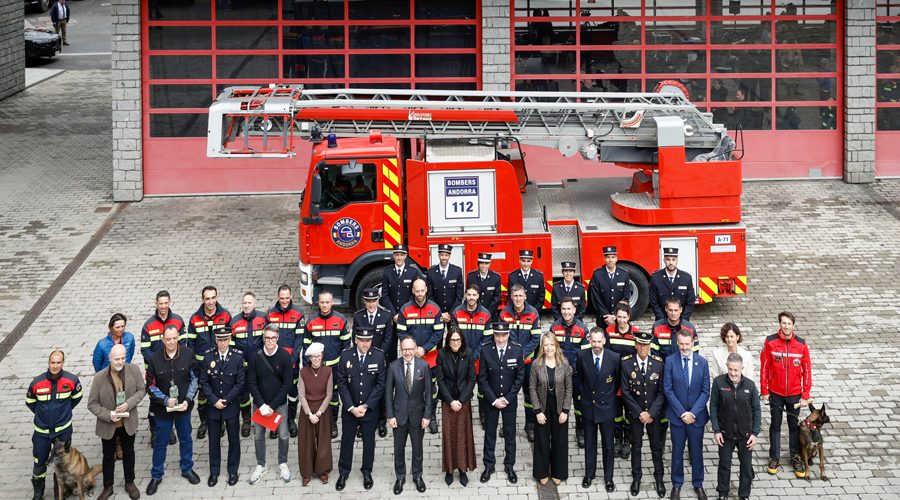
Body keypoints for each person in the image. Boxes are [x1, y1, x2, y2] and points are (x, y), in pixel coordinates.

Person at [145, 325, 201, 495]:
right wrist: (165, 400)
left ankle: (187, 469)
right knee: (161, 443)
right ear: (163, 340)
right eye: (168, 339)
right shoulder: (154, 359)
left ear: (178, 337)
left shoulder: (188, 354)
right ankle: (156, 475)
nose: (171, 342)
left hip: (184, 408)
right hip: (163, 411)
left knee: (186, 439)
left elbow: (194, 379)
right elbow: (150, 386)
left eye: (174, 338)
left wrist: (188, 399)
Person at [87, 344, 145, 500]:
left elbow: (142, 390)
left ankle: (130, 483)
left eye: (123, 358)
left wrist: (129, 403)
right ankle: (108, 486)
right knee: (107, 456)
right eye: (117, 359)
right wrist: (108, 415)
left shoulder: (134, 370)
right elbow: (91, 404)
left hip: (128, 423)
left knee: (129, 452)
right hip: (108, 425)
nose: (120, 362)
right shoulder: (99, 377)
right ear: (110, 358)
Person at [760, 311, 812, 477]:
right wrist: (764, 390)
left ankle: (795, 457)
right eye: (783, 323)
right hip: (775, 393)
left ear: (793, 325)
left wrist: (805, 394)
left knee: (793, 426)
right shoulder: (770, 342)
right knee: (775, 425)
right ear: (780, 324)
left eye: (789, 323)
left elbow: (807, 371)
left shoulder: (802, 344)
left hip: (795, 394)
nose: (786, 326)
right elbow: (764, 367)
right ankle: (774, 457)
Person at [26, 350, 83, 500]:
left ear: (63, 363)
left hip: (63, 431)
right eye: (53, 362)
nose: (55, 366)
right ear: (48, 363)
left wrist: (64, 412)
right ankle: (39, 492)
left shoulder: (72, 380)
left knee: (62, 463)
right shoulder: (37, 383)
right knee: (39, 463)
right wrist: (42, 415)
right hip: (42, 432)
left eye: (58, 362)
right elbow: (30, 403)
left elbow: (76, 398)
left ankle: (60, 492)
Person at [336, 326, 386, 491]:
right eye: (362, 340)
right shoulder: (345, 356)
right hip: (350, 410)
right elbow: (341, 384)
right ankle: (343, 472)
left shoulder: (379, 356)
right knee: (347, 442)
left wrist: (365, 406)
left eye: (368, 341)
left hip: (369, 410)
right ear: (355, 339)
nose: (365, 344)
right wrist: (351, 407)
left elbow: (380, 385)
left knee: (369, 443)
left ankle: (367, 472)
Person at [663, 329, 710, 500]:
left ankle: (698, 484)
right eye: (681, 344)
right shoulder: (670, 361)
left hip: (696, 418)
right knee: (677, 452)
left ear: (693, 343)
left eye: (687, 344)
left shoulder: (702, 362)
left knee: (697, 452)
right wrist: (683, 413)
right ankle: (676, 485)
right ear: (677, 343)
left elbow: (706, 392)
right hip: (677, 417)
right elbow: (668, 390)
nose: (684, 347)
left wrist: (693, 413)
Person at [620, 331, 667, 498]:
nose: (642, 347)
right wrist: (640, 413)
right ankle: (636, 478)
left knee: (656, 447)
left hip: (654, 414)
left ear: (650, 346)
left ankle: (659, 479)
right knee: (636, 446)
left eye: (645, 345)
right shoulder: (626, 364)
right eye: (639, 344)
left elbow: (662, 392)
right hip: (635, 414)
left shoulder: (658, 364)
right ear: (635, 345)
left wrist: (651, 413)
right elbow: (625, 392)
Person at [386, 336, 435, 495]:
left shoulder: (424, 366)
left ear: (415, 349)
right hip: (399, 417)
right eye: (404, 349)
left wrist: (427, 416)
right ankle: (400, 477)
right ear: (401, 350)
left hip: (418, 416)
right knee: (399, 450)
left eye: (410, 349)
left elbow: (429, 394)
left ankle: (417, 476)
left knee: (418, 450)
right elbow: (388, 394)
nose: (407, 352)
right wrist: (390, 416)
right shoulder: (393, 366)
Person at [478, 322, 526, 485]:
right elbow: (482, 379)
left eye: (503, 335)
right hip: (491, 401)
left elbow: (520, 377)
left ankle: (509, 466)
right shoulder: (485, 349)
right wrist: (493, 400)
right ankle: (489, 466)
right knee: (490, 435)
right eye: (497, 335)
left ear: (508, 335)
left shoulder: (517, 349)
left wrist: (506, 399)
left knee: (510, 435)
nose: (500, 339)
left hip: (509, 402)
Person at [247, 324, 294, 485]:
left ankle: (283, 463)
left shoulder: (285, 356)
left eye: (273, 338)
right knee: (259, 437)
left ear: (278, 338)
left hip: (278, 405)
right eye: (267, 338)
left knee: (283, 435)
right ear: (263, 338)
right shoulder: (255, 356)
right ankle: (261, 465)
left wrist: (272, 406)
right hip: (260, 405)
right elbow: (251, 383)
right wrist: (261, 405)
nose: (270, 341)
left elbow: (287, 384)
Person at [711, 353, 761, 500]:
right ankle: (722, 493)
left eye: (736, 370)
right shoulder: (718, 383)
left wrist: (755, 434)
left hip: (746, 435)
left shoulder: (750, 386)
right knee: (724, 464)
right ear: (727, 366)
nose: (733, 373)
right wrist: (716, 430)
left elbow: (757, 410)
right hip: (725, 434)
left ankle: (744, 495)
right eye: (730, 369)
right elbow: (713, 406)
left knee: (746, 466)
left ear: (742, 369)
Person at [396, 278, 443, 433]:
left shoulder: (435, 309)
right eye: (417, 291)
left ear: (426, 290)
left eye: (422, 290)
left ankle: (432, 415)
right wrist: (413, 348)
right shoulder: (405, 309)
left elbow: (439, 332)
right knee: (413, 386)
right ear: (412, 291)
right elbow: (401, 331)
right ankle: (414, 415)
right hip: (411, 356)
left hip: (430, 357)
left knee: (432, 387)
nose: (420, 293)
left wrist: (425, 348)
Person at [199, 327, 245, 487]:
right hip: (213, 407)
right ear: (216, 340)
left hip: (231, 406)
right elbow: (203, 382)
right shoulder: (208, 357)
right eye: (220, 340)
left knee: (233, 440)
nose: (223, 343)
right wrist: (214, 400)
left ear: (230, 339)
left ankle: (233, 471)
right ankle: (214, 472)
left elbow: (240, 383)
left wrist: (225, 400)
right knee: (213, 441)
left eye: (226, 339)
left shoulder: (237, 358)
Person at [576, 327, 621, 491]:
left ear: (604, 341)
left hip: (607, 407)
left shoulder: (614, 358)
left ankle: (609, 478)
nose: (596, 344)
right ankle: (589, 474)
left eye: (599, 341)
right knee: (589, 443)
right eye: (593, 341)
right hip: (589, 405)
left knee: (609, 444)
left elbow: (616, 382)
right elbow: (582, 379)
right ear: (589, 340)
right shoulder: (581, 356)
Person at [141, 290, 186, 446]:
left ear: (170, 302)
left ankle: (170, 429)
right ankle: (155, 431)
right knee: (155, 401)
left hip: (174, 371)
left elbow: (183, 345)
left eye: (166, 303)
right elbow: (145, 349)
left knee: (173, 397)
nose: (163, 306)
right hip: (155, 372)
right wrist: (158, 363)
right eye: (160, 303)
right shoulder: (148, 325)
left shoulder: (179, 321)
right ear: (156, 304)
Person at [187, 286, 231, 440]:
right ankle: (204, 422)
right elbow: (190, 345)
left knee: (220, 391)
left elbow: (230, 341)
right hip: (202, 366)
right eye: (207, 298)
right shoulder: (194, 318)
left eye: (213, 298)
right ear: (202, 300)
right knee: (203, 395)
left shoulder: (225, 315)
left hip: (222, 365)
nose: (211, 301)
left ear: (217, 297)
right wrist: (194, 367)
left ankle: (221, 422)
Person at [497, 284, 541, 441]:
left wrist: (521, 354)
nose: (517, 299)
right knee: (508, 393)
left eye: (520, 296)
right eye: (515, 296)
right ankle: (508, 424)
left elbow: (536, 338)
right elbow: (501, 338)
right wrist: (512, 355)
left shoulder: (533, 314)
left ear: (525, 296)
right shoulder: (504, 314)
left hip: (528, 361)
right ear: (511, 297)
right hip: (509, 362)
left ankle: (530, 424)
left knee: (529, 394)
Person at [435, 327, 478, 486]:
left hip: (463, 401)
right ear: (448, 341)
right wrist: (450, 401)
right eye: (452, 340)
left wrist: (461, 400)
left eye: (458, 340)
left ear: (462, 340)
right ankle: (450, 469)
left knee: (463, 436)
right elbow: (440, 380)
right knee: (449, 436)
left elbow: (472, 379)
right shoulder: (441, 354)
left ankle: (463, 469)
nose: (455, 342)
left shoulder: (468, 353)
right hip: (448, 402)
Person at [305, 290, 351, 438]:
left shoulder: (341, 319)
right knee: (317, 396)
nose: (325, 305)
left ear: (332, 302)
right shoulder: (311, 321)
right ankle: (318, 421)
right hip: (317, 369)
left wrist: (343, 364)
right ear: (318, 303)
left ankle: (332, 423)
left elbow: (346, 343)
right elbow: (306, 345)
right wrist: (308, 365)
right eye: (322, 302)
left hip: (335, 369)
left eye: (327, 302)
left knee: (334, 398)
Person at [530, 333, 572, 486]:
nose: (549, 348)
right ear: (542, 346)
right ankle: (541, 472)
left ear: (556, 346)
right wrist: (538, 411)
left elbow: (569, 388)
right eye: (546, 345)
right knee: (541, 440)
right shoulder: (536, 364)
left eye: (551, 345)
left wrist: (565, 411)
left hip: (559, 407)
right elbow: (532, 388)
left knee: (559, 441)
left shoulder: (564, 363)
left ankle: (558, 472)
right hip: (543, 407)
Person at [548, 298, 590, 448]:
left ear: (574, 310)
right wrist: (564, 367)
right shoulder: (554, 327)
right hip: (559, 373)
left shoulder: (583, 329)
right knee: (559, 404)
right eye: (563, 309)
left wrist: (572, 367)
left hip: (577, 375)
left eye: (569, 309)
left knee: (579, 404)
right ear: (561, 310)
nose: (566, 312)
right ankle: (559, 433)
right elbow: (551, 350)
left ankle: (580, 431)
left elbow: (585, 354)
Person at [265, 284, 306, 439]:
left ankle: (291, 420)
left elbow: (299, 340)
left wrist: (291, 361)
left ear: (291, 297)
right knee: (275, 393)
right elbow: (267, 340)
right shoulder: (270, 314)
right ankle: (274, 423)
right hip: (274, 364)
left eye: (287, 298)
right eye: (281, 298)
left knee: (292, 392)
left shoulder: (298, 313)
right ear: (278, 297)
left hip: (292, 363)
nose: (284, 301)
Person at [353, 287, 394, 437]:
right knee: (364, 389)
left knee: (381, 391)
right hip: (363, 359)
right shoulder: (358, 317)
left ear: (378, 300)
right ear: (364, 301)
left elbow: (388, 340)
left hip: (381, 360)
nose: (371, 304)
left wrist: (376, 357)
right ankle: (363, 422)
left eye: (374, 301)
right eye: (368, 301)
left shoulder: (386, 315)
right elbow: (355, 338)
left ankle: (381, 421)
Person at [229, 292, 267, 437]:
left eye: (249, 303)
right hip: (242, 368)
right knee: (243, 395)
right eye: (244, 303)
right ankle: (246, 420)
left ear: (255, 304)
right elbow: (232, 347)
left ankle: (261, 420)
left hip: (259, 367)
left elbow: (267, 343)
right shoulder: (235, 321)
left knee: (260, 393)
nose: (246, 305)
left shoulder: (263, 318)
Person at [297, 342, 333, 486]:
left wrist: (318, 413)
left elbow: (329, 394)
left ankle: (323, 470)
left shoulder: (328, 371)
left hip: (323, 411)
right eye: (314, 357)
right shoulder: (303, 372)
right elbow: (302, 395)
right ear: (309, 358)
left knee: (324, 441)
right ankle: (307, 472)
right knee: (306, 443)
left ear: (322, 356)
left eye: (319, 356)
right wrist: (309, 415)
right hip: (307, 412)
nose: (317, 359)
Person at [606, 302, 638, 460]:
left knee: (630, 412)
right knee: (616, 412)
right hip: (614, 380)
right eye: (618, 317)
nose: (621, 320)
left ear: (629, 317)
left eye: (624, 317)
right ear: (615, 317)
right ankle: (617, 439)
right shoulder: (609, 331)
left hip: (630, 380)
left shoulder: (635, 333)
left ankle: (628, 442)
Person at [381, 244, 418, 363]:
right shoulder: (387, 272)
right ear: (393, 256)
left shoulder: (413, 272)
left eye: (402, 255)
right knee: (391, 347)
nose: (399, 258)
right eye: (397, 255)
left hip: (406, 316)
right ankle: (393, 369)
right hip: (393, 317)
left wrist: (403, 313)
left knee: (407, 344)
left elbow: (413, 296)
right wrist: (393, 314)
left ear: (405, 256)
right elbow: (385, 296)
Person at [426, 243, 465, 346]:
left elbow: (459, 295)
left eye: (446, 255)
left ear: (449, 256)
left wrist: (450, 313)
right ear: (438, 255)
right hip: (437, 315)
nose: (444, 258)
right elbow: (429, 296)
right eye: (442, 255)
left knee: (453, 341)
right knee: (436, 342)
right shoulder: (431, 273)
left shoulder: (457, 271)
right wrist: (440, 314)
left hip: (452, 316)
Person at [649, 248, 696, 322]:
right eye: (668, 259)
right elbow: (654, 302)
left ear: (677, 261)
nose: (671, 263)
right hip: (662, 320)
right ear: (664, 260)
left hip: (681, 321)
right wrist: (662, 321)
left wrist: (682, 321)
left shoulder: (686, 278)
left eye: (673, 259)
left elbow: (690, 303)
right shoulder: (656, 278)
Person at [589, 246, 632, 328]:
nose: (610, 260)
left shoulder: (624, 274)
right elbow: (596, 297)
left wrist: (615, 316)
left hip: (619, 319)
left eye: (613, 257)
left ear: (616, 258)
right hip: (603, 319)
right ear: (604, 259)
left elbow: (626, 296)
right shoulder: (597, 274)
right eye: (608, 257)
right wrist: (606, 315)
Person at [451, 284, 493, 363]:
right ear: (465, 295)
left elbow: (487, 338)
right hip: (460, 357)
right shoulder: (456, 312)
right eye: (469, 295)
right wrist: (462, 353)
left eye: (474, 295)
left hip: (480, 358)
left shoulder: (486, 314)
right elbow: (453, 337)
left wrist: (475, 355)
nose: (471, 298)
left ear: (478, 296)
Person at [466, 253, 502, 321]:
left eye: (486, 263)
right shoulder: (471, 276)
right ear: (478, 264)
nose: (484, 266)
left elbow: (497, 298)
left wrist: (487, 313)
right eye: (481, 263)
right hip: (475, 314)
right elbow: (469, 295)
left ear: (489, 264)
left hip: (490, 315)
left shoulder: (496, 277)